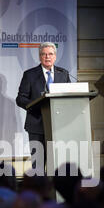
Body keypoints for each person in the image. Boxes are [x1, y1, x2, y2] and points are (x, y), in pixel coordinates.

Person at [16, 42, 70, 170]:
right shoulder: (30, 74)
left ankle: (54, 190)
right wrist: (35, 105)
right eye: (44, 54)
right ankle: (38, 189)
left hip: (59, 126)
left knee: (57, 165)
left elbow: (69, 96)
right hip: (36, 125)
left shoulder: (64, 74)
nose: (47, 57)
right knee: (38, 167)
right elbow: (21, 98)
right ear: (40, 57)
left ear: (55, 57)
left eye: (50, 54)